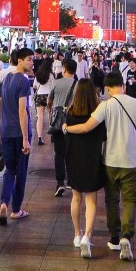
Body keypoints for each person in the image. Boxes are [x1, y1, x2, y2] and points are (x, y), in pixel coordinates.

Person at [63, 70, 136, 260]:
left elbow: (86, 127)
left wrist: (67, 128)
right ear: (123, 85)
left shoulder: (105, 106)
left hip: (110, 161)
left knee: (111, 200)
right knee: (130, 200)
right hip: (131, 161)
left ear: (107, 88)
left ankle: (114, 238)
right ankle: (126, 235)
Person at [63, 78, 107, 257]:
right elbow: (103, 135)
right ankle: (87, 236)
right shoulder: (98, 112)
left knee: (76, 198)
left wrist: (67, 128)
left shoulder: (70, 112)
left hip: (74, 158)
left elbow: (68, 136)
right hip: (92, 159)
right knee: (91, 200)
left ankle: (76, 234)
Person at [0, 47, 35, 224]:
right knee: (21, 172)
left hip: (6, 132)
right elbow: (22, 110)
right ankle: (16, 210)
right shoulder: (23, 81)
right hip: (19, 133)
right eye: (29, 60)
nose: (32, 63)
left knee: (9, 170)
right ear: (19, 61)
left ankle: (4, 203)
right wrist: (25, 138)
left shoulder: (6, 79)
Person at [49, 57, 79, 196]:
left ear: (64, 69)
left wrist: (52, 111)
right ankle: (72, 181)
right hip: (73, 122)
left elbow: (49, 101)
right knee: (72, 153)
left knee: (59, 153)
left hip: (58, 122)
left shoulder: (56, 83)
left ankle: (60, 182)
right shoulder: (78, 85)